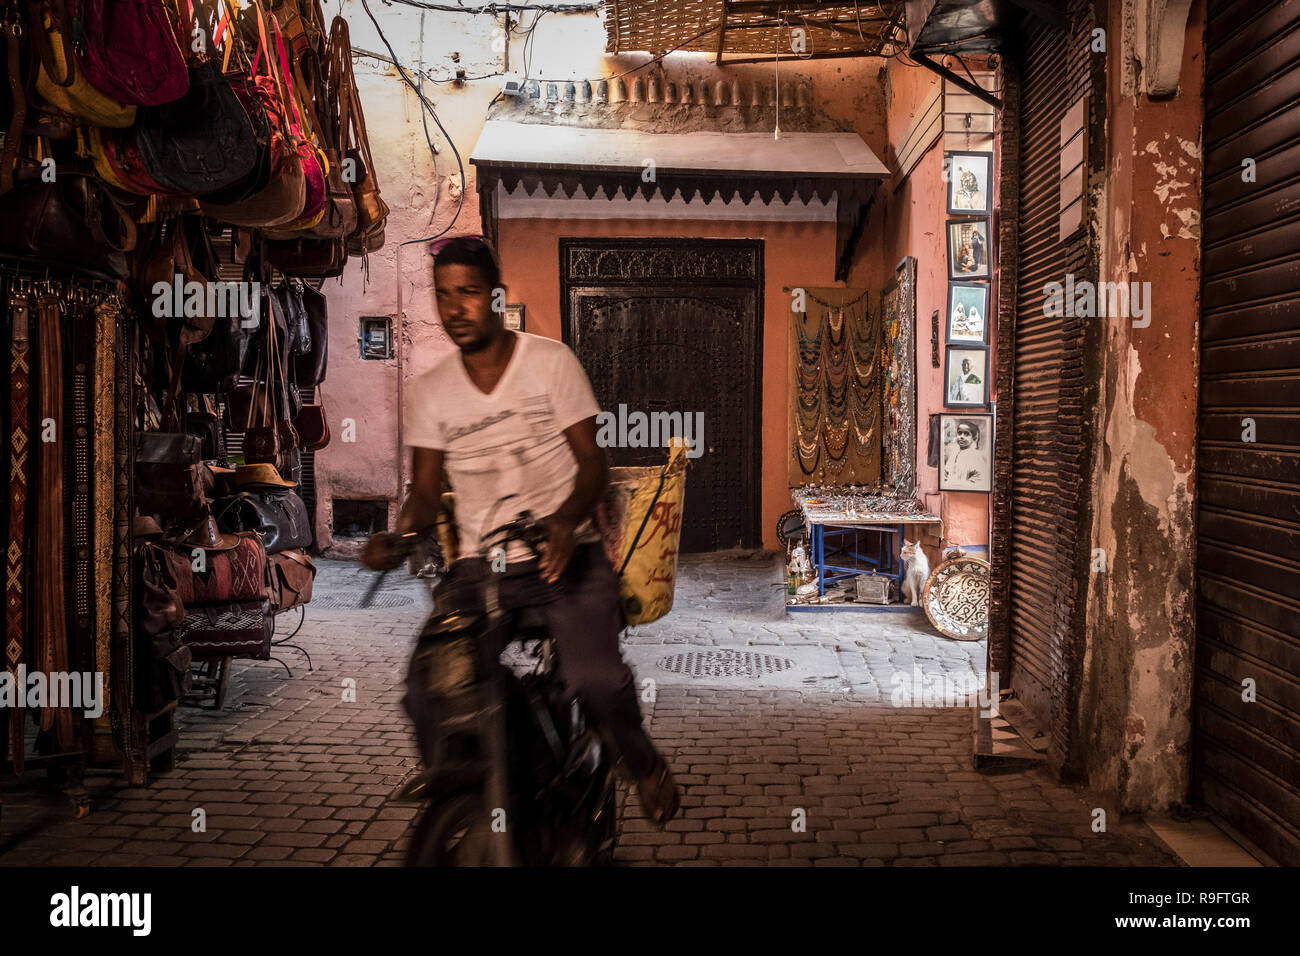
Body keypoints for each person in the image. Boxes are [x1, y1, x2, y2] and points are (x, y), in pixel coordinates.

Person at [363, 236, 681, 825]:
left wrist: (565, 521)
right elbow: (426, 490)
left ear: (495, 296)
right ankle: (471, 803)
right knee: (426, 688)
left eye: (469, 293)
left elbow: (593, 464)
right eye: (443, 296)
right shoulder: (432, 392)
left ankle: (643, 764)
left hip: (567, 559)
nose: (455, 308)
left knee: (596, 679)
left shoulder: (550, 361)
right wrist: (399, 534)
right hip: (482, 572)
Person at [943, 419, 984, 488]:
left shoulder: (975, 456)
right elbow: (945, 474)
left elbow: (979, 479)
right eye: (959, 433)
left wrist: (958, 485)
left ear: (973, 438)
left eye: (966, 434)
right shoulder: (954, 454)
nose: (961, 437)